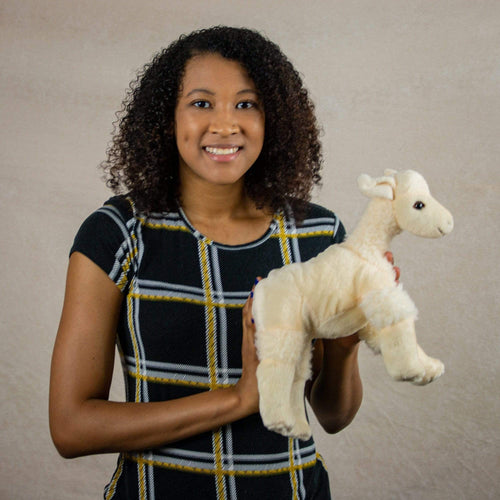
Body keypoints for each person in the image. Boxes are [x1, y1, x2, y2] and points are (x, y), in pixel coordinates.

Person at [50, 26, 397, 500]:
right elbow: (71, 427)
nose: (226, 124)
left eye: (247, 104)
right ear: (166, 119)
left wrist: (346, 342)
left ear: (273, 117)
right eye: (201, 103)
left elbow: (333, 416)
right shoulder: (119, 232)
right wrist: (240, 399)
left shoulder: (318, 235)